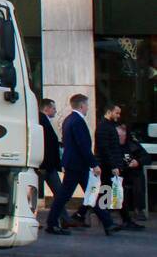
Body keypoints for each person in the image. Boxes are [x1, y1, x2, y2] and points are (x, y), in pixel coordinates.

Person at [47, 94, 117, 236]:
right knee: (66, 195)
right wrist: (94, 164)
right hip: (77, 165)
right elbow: (83, 145)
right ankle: (52, 223)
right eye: (87, 105)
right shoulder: (78, 121)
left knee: (87, 194)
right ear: (81, 106)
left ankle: (108, 223)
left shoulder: (69, 120)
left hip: (75, 164)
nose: (88, 108)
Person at [38, 99, 66, 229]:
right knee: (58, 192)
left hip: (47, 165)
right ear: (46, 108)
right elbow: (47, 145)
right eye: (53, 108)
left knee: (59, 192)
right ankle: (59, 220)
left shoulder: (45, 121)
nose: (55, 111)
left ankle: (64, 218)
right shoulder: (41, 121)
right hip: (45, 166)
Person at [116, 122, 146, 230]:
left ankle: (139, 209)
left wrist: (137, 162)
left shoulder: (132, 144)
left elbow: (145, 157)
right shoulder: (113, 145)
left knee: (138, 177)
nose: (119, 137)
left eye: (120, 135)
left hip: (131, 173)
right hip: (117, 173)